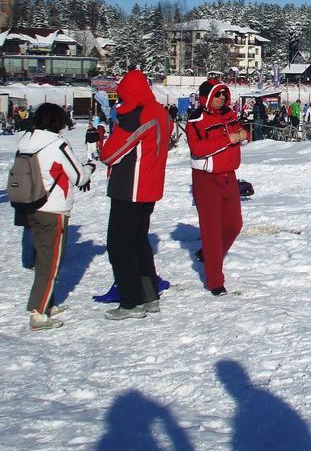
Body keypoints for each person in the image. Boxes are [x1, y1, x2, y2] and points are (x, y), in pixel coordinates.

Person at [99, 69, 171, 320]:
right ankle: (149, 296)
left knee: (119, 246)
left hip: (130, 187)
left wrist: (112, 130)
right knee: (139, 242)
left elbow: (109, 153)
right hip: (149, 188)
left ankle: (131, 302)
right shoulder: (161, 112)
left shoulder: (138, 115)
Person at [16, 103, 95, 330]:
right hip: (53, 207)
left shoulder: (26, 141)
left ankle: (45, 303)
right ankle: (38, 312)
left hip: (32, 204)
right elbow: (78, 176)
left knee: (43, 258)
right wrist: (90, 168)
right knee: (51, 262)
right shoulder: (56, 143)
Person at [186, 79, 246, 297]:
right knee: (211, 231)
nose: (221, 98)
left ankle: (210, 254)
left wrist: (241, 136)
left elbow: (241, 133)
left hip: (230, 177)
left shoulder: (230, 115)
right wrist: (228, 139)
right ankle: (214, 281)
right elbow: (198, 147)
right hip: (206, 179)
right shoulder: (196, 120)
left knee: (234, 225)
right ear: (207, 97)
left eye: (224, 94)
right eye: (217, 95)